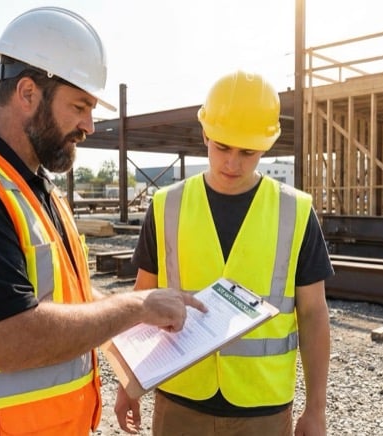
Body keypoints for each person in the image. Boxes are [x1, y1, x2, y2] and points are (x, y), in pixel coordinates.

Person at [0, 7, 204, 436]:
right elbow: (14, 340)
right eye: (80, 106)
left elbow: (67, 300)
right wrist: (136, 306)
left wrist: (143, 336)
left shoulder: (35, 189)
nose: (90, 125)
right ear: (28, 93)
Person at [114, 70, 333, 436]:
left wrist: (317, 409)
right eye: (221, 147)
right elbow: (142, 300)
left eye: (247, 151)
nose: (232, 162)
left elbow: (313, 313)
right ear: (205, 134)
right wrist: (128, 383)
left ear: (267, 144)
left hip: (262, 408)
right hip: (180, 399)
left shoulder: (295, 212)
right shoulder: (167, 205)